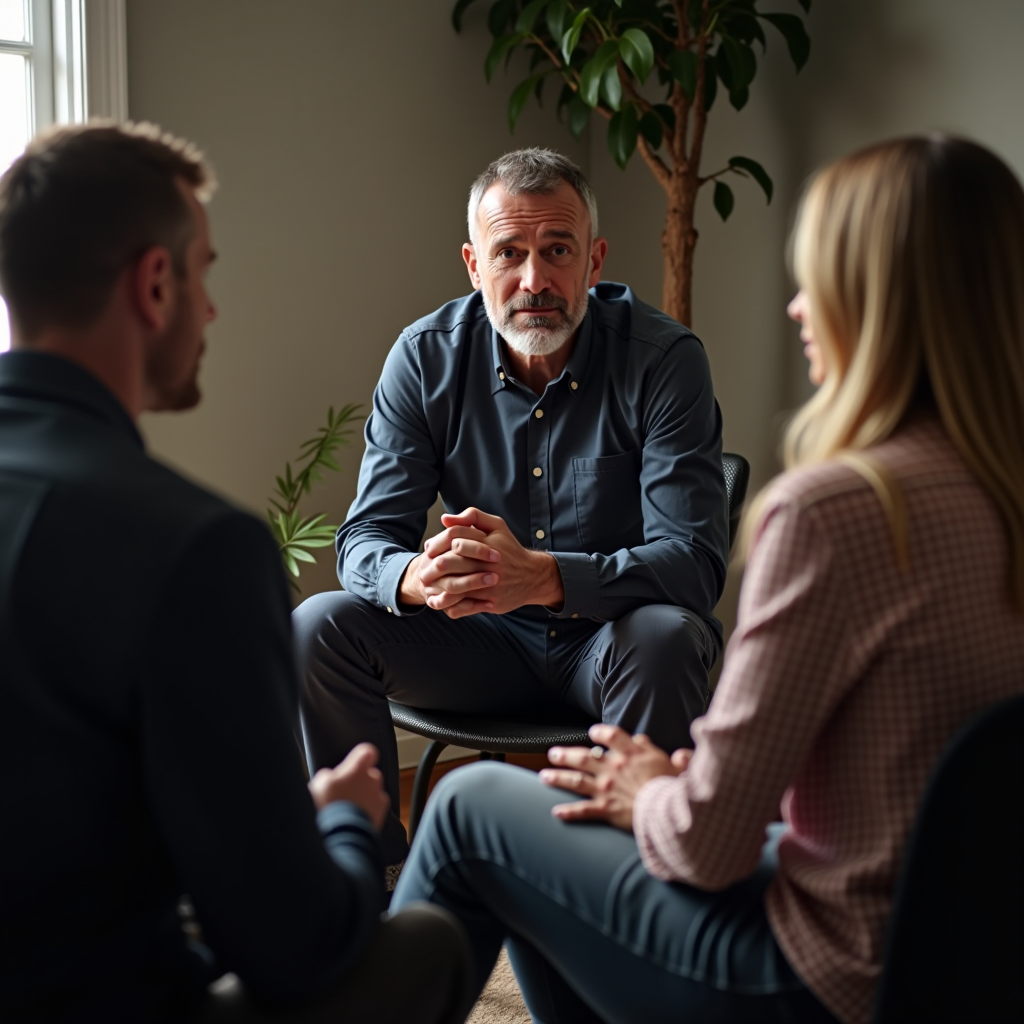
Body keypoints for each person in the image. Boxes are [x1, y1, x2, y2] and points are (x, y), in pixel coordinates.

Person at [390, 134, 1024, 1024]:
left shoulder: (835, 512)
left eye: (819, 279)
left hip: (820, 976)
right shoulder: (999, 490)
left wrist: (652, 791)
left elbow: (707, 844)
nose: (798, 308)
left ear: (877, 302)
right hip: (965, 962)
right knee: (555, 837)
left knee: (471, 805)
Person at [0, 123, 470, 1023]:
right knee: (428, 944)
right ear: (155, 283)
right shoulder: (194, 546)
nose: (211, 311)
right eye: (203, 274)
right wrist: (338, 819)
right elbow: (297, 949)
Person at [294, 148, 729, 875]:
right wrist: (418, 577)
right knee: (318, 627)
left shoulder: (664, 359)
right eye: (509, 253)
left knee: (666, 637)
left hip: (613, 645)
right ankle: (369, 887)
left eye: (558, 250)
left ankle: (630, 893)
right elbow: (365, 539)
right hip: (478, 644)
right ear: (474, 265)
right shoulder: (425, 358)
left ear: (594, 260)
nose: (535, 281)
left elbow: (694, 565)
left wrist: (547, 577)